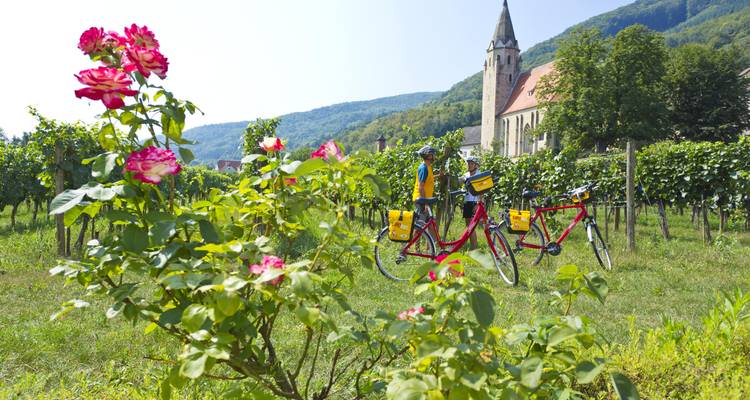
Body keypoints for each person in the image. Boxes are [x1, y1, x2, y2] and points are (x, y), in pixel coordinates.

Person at [412, 145, 441, 237]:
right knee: (419, 227)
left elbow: (428, 179)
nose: (434, 156)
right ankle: (415, 249)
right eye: (432, 154)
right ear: (428, 156)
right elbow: (421, 186)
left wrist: (438, 176)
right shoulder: (423, 168)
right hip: (421, 201)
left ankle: (435, 246)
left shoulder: (428, 167)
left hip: (425, 200)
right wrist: (425, 203)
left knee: (431, 225)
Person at [461, 156, 481, 250]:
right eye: (468, 163)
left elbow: (482, 191)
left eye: (471, 163)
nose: (469, 165)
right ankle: (472, 245)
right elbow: (460, 180)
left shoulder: (479, 174)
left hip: (474, 202)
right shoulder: (466, 175)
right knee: (468, 225)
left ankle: (474, 247)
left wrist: (478, 203)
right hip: (467, 201)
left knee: (472, 225)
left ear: (476, 165)